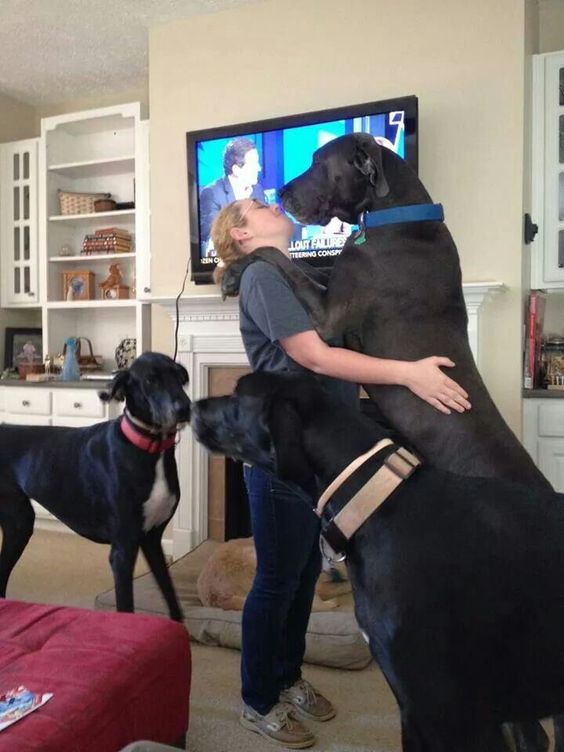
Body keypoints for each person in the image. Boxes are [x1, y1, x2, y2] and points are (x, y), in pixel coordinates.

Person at [210, 198, 471, 749]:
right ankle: (258, 700)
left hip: (318, 454)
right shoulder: (260, 275)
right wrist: (409, 376)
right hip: (283, 450)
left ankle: (288, 677)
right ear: (241, 231)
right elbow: (315, 357)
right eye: (258, 203)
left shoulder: (295, 271)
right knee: (278, 578)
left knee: (305, 572)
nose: (272, 200)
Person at [199, 137, 267, 254]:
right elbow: (212, 236)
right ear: (236, 170)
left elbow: (266, 225)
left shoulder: (257, 190)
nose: (259, 168)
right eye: (254, 164)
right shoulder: (212, 193)